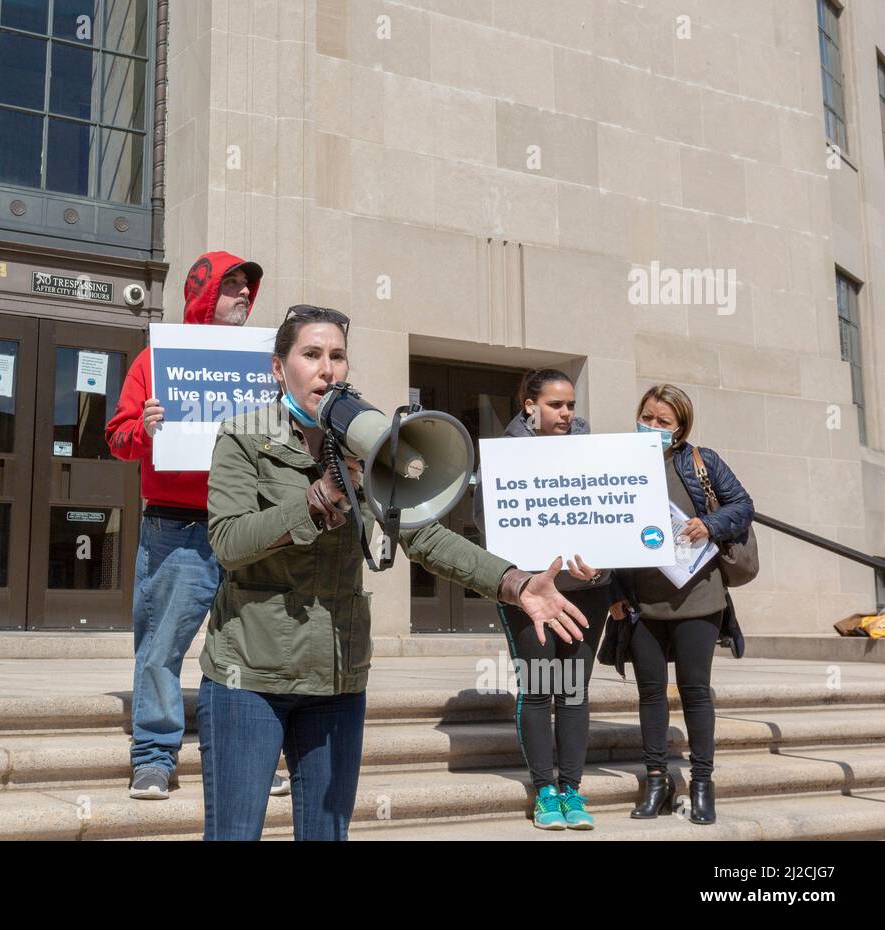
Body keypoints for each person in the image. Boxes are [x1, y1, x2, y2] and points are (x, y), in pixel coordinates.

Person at [199, 305, 590, 840]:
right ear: (278, 368)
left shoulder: (364, 441)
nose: (327, 369)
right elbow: (228, 541)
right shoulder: (243, 437)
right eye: (311, 355)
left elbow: (426, 536)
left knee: (325, 833)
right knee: (235, 833)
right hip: (250, 674)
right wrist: (319, 500)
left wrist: (515, 582)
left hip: (337, 676)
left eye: (337, 356)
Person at [105, 251, 290, 799]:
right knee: (161, 648)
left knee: (252, 651)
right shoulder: (153, 361)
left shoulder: (265, 364)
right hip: (177, 529)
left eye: (245, 288)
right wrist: (144, 427)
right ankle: (154, 757)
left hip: (249, 527)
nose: (241, 295)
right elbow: (116, 440)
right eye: (230, 285)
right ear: (204, 294)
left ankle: (253, 754)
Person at [471, 368, 612, 829]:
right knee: (538, 689)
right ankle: (544, 791)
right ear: (530, 405)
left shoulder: (594, 452)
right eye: (556, 404)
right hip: (529, 593)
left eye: (570, 404)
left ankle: (572, 789)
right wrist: (519, 576)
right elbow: (484, 521)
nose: (567, 413)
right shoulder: (503, 454)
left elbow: (614, 517)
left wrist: (604, 566)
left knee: (573, 690)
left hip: (586, 589)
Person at [608, 383, 753, 826]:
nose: (651, 426)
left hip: (698, 597)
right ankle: (657, 779)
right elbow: (606, 528)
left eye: (662, 421)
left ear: (680, 427)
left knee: (694, 692)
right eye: (647, 416)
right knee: (650, 693)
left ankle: (702, 783)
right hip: (642, 603)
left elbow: (743, 506)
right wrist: (614, 592)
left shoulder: (701, 461)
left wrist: (709, 524)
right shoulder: (618, 463)